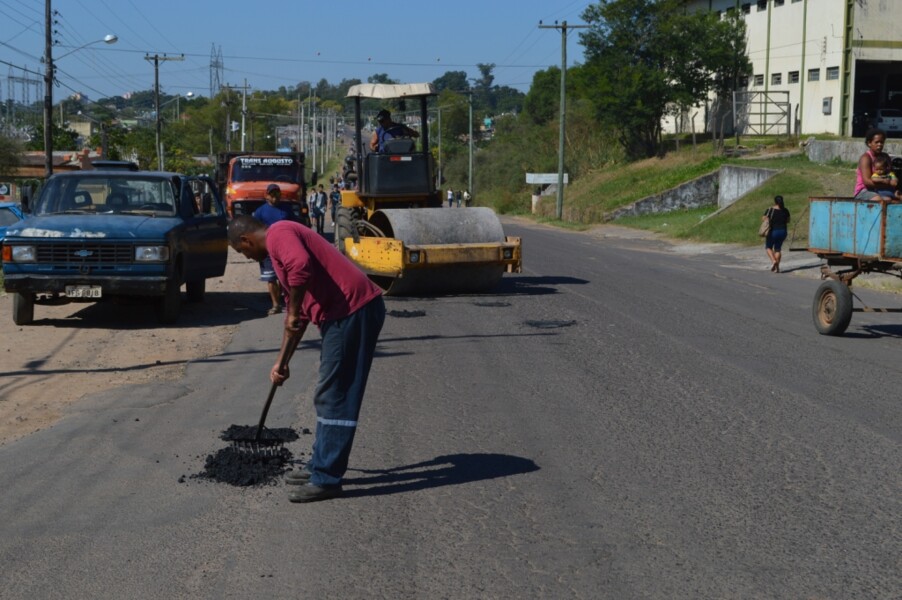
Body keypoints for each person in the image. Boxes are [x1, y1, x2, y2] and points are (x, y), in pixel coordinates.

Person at [227, 216, 386, 503]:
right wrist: (281, 362)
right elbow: (295, 317)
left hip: (352, 312)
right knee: (329, 394)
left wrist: (293, 311)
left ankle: (327, 478)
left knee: (335, 395)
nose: (248, 258)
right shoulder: (279, 253)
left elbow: (300, 267)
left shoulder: (279, 234)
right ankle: (319, 465)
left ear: (246, 240)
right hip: (342, 316)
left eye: (243, 252)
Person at [252, 183, 293, 315]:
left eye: (277, 193)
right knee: (270, 278)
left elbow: (296, 225)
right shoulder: (260, 212)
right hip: (267, 250)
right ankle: (275, 305)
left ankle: (286, 302)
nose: (275, 196)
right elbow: (254, 230)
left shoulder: (287, 210)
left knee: (284, 277)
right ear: (266, 195)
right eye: (272, 194)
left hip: (285, 249)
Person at [854, 128, 896, 200]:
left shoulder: (885, 157)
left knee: (891, 199)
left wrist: (894, 181)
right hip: (865, 190)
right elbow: (867, 182)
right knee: (879, 200)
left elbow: (890, 174)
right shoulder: (866, 158)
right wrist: (887, 184)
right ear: (869, 143)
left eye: (881, 142)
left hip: (881, 190)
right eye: (877, 142)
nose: (879, 145)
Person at [762, 195, 791, 273]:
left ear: (775, 202)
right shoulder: (785, 210)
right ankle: (777, 268)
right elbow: (788, 220)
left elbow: (764, 219)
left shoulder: (770, 210)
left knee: (768, 247)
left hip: (773, 231)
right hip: (783, 232)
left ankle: (773, 261)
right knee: (778, 249)